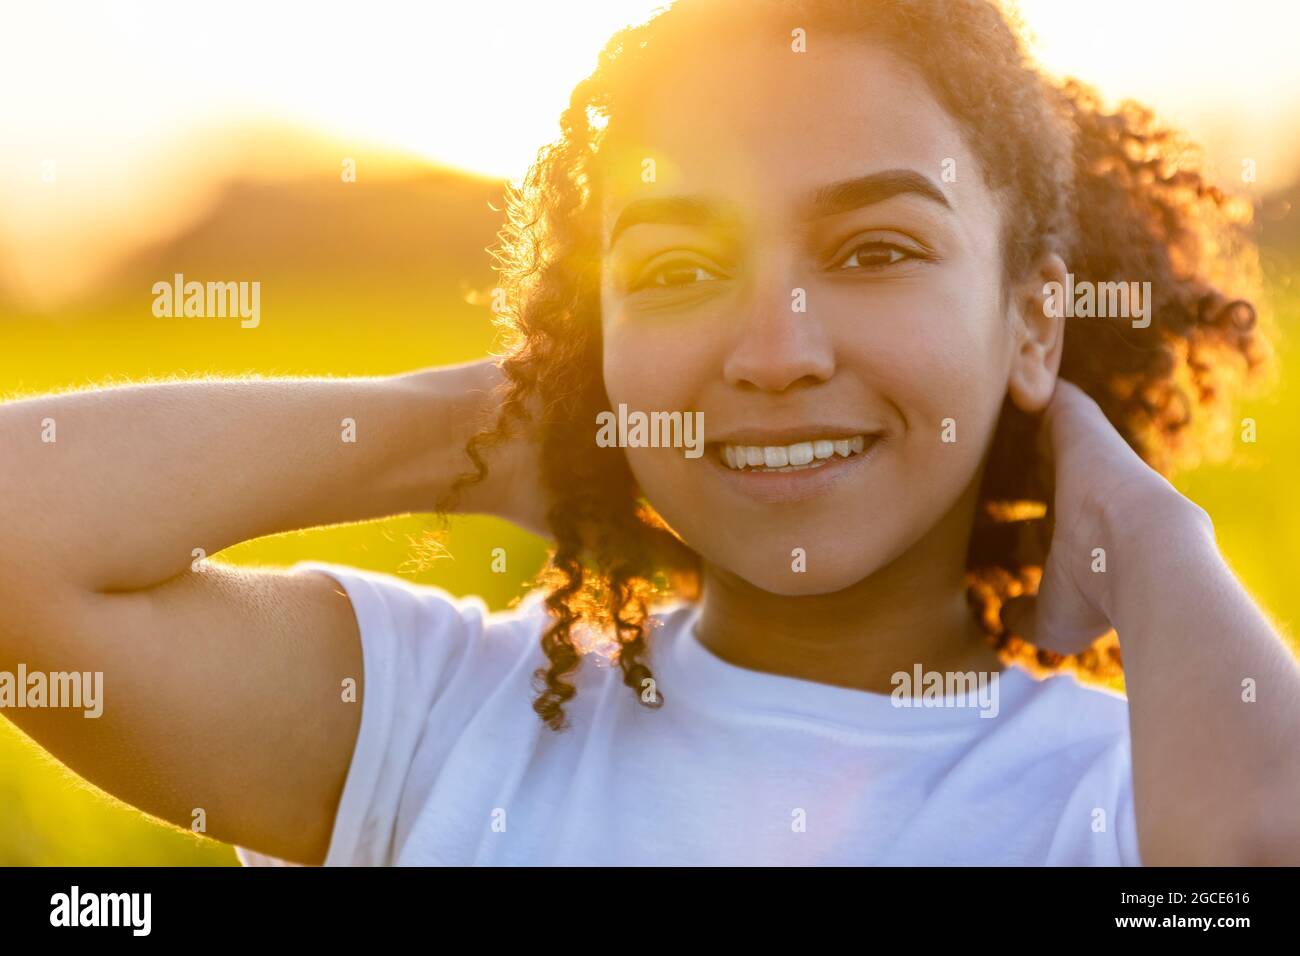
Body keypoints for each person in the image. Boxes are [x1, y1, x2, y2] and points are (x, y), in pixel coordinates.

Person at [1, 0, 1297, 866]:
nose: (776, 352)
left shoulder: (1122, 795)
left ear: (1033, 324)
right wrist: (494, 427)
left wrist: (1146, 531)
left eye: (877, 250)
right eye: (678, 271)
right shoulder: (441, 719)